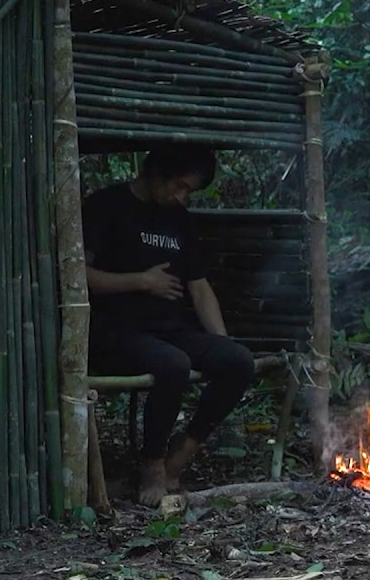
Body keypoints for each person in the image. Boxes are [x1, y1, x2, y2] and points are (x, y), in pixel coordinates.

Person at [81, 145, 254, 506]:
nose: (181, 196)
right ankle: (153, 463)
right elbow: (78, 275)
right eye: (178, 186)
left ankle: (182, 453)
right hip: (114, 331)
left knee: (238, 360)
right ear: (155, 173)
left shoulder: (179, 219)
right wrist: (140, 281)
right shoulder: (105, 206)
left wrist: (219, 346)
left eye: (188, 191)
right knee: (172, 364)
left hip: (170, 330)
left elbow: (200, 286)